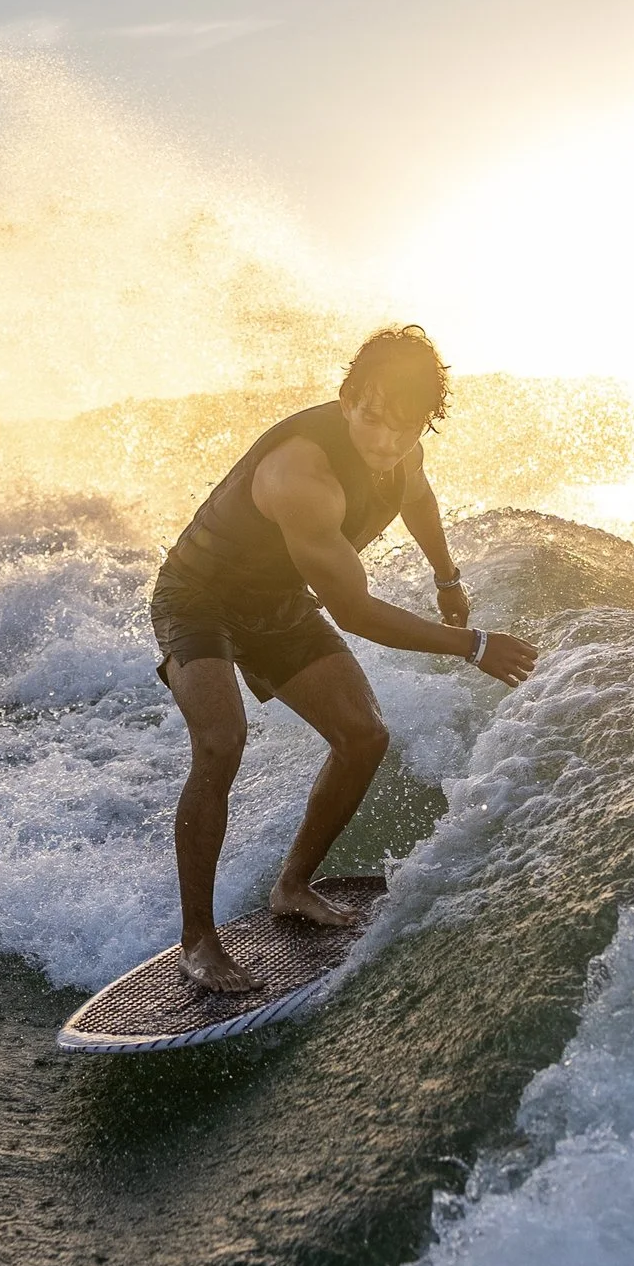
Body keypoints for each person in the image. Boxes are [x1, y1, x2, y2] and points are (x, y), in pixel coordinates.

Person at [155, 325, 538, 992]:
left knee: (363, 735)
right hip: (199, 596)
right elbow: (356, 613)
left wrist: (449, 577)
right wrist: (472, 645)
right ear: (347, 396)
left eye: (407, 426)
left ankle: (293, 886)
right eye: (373, 417)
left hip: (275, 598)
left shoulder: (402, 452)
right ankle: (197, 942)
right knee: (221, 741)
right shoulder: (302, 473)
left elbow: (415, 496)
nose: (386, 440)